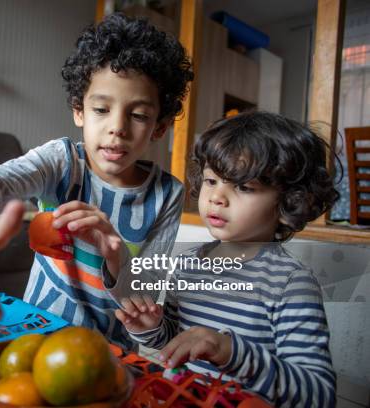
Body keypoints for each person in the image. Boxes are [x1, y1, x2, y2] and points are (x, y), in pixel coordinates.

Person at [0, 13, 193, 348]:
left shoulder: (167, 194)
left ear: (160, 127)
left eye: (138, 115)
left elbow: (143, 299)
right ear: (79, 110)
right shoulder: (62, 161)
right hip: (33, 334)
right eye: (101, 109)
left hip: (107, 353)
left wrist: (115, 253)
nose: (118, 127)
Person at [116, 111, 338, 406]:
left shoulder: (290, 283)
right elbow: (176, 344)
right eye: (211, 181)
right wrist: (150, 327)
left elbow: (318, 395)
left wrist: (231, 351)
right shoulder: (189, 263)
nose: (217, 197)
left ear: (289, 201)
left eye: (244, 186)